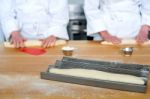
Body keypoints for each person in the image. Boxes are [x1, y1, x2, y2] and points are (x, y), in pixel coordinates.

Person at [1, 0, 69, 48]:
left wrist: (54, 34)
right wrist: (14, 32)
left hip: (49, 37)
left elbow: (60, 13)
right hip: (20, 39)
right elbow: (6, 13)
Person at [84, 0, 150, 44]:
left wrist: (144, 30)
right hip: (106, 30)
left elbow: (148, 6)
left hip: (135, 32)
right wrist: (104, 34)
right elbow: (91, 9)